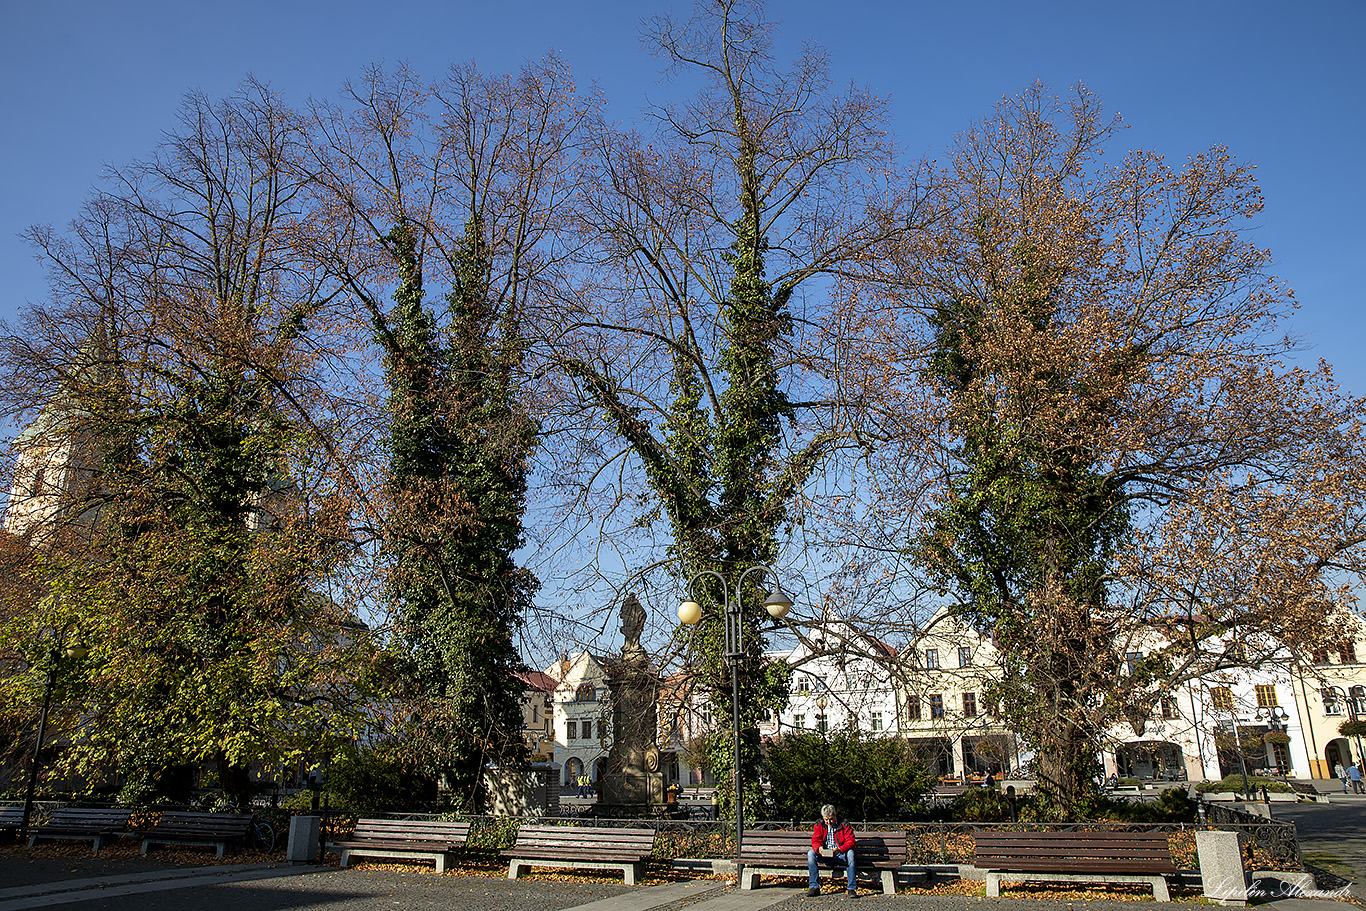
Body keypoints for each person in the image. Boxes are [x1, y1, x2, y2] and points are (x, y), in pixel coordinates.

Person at [809, 804, 858, 898]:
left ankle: (851, 888)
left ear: (835, 815)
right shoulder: (819, 824)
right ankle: (814, 887)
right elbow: (815, 840)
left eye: (831, 819)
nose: (828, 822)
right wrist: (819, 848)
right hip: (825, 854)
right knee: (811, 853)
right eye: (826, 819)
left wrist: (840, 849)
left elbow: (851, 841)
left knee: (851, 854)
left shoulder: (844, 824)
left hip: (840, 854)